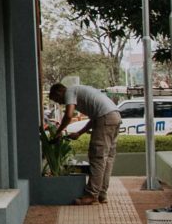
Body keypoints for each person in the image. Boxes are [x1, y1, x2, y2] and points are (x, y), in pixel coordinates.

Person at [52, 76, 123, 205]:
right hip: (115, 116)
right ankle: (101, 194)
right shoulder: (81, 91)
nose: (60, 103)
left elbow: (68, 116)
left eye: (57, 100)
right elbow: (95, 118)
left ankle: (91, 195)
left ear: (59, 92)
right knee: (107, 159)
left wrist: (58, 132)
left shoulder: (69, 92)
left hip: (106, 118)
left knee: (98, 157)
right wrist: (79, 133)